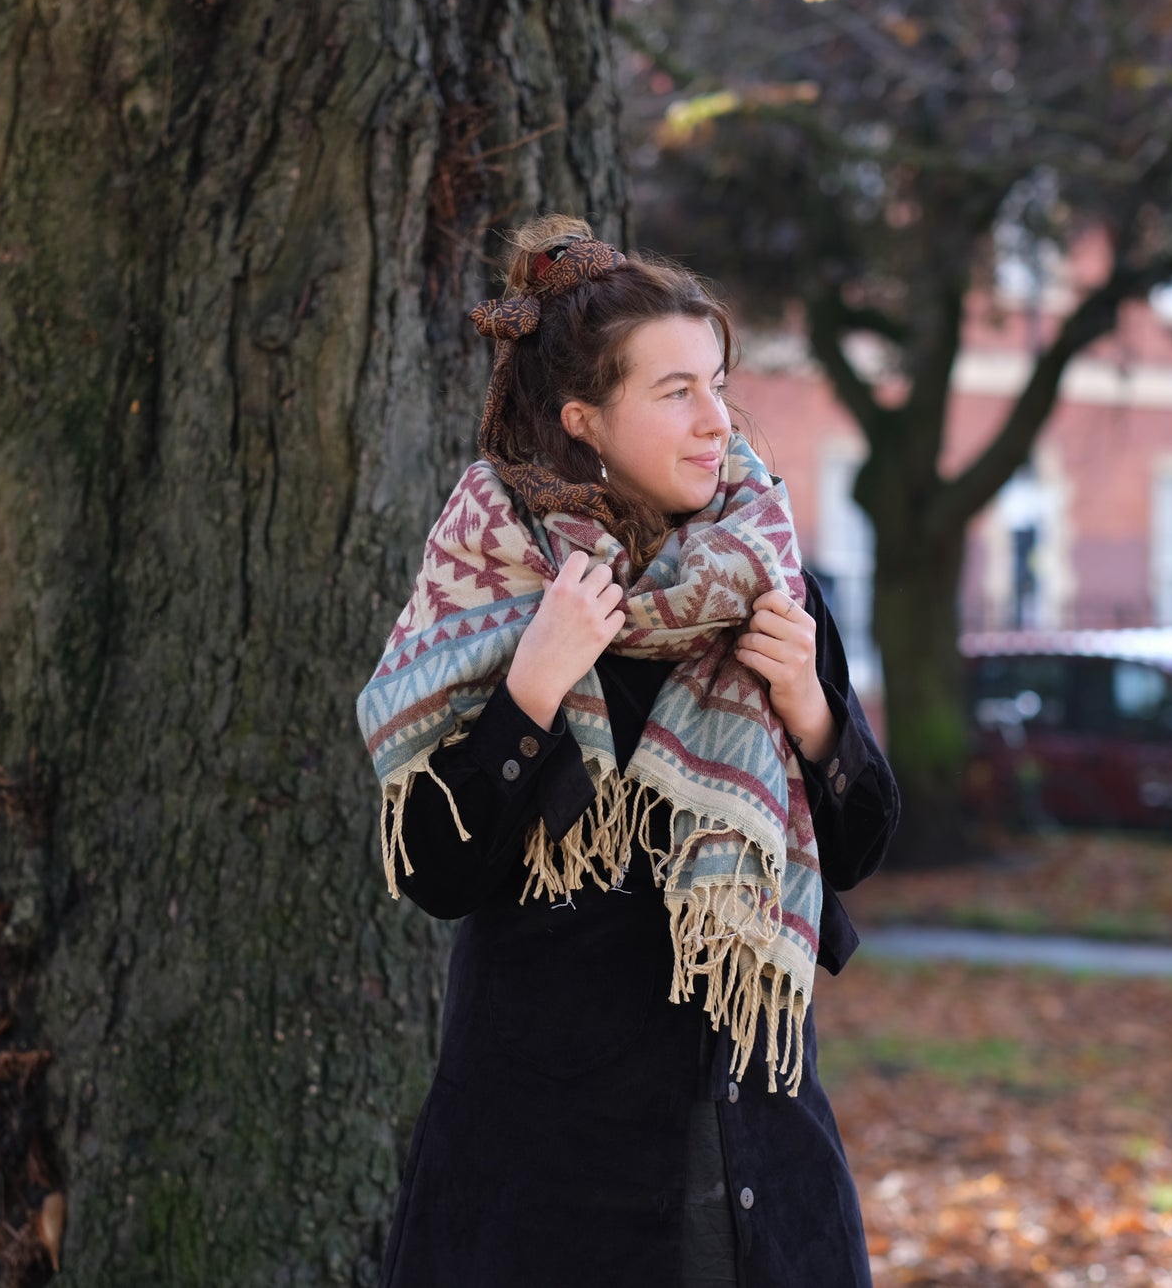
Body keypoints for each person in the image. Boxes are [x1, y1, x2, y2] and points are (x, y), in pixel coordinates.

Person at [356, 215, 901, 1288]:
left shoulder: (770, 583)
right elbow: (431, 867)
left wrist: (809, 707)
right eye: (675, 392)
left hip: (753, 1153)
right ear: (583, 420)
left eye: (716, 384)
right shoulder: (496, 591)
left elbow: (858, 843)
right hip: (545, 1175)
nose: (715, 422)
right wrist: (531, 687)